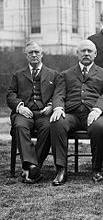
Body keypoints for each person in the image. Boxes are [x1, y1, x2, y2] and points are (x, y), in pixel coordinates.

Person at [50, 40, 103, 186]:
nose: (86, 54)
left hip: (94, 113)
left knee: (99, 126)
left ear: (95, 54)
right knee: (57, 122)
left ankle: (96, 168)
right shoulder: (65, 74)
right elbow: (59, 94)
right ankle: (61, 169)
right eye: (83, 51)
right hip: (72, 114)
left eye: (89, 51)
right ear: (77, 54)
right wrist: (58, 108)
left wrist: (97, 110)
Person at [6, 41, 58, 183]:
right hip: (24, 113)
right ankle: (32, 167)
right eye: (31, 53)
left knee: (49, 127)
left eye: (37, 52)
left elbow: (59, 94)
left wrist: (51, 106)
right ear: (26, 55)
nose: (34, 55)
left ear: (42, 54)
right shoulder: (18, 74)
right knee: (20, 126)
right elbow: (10, 94)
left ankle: (31, 167)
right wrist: (20, 107)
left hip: (44, 113)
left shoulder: (53, 74)